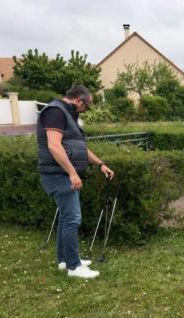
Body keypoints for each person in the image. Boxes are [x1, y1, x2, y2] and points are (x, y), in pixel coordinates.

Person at [37, 85, 114, 279]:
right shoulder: (55, 112)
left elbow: (79, 148)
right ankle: (74, 267)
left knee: (65, 218)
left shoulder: (69, 116)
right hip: (59, 175)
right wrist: (72, 173)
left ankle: (64, 260)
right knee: (72, 219)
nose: (86, 109)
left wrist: (100, 164)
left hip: (63, 175)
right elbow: (54, 146)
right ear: (79, 100)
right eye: (87, 105)